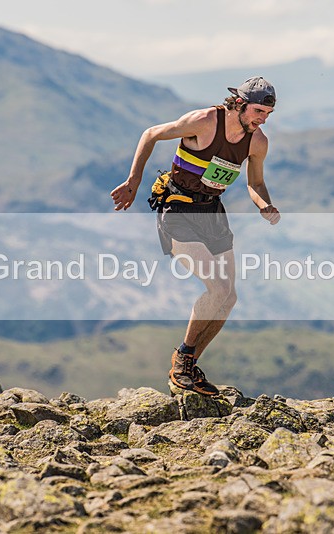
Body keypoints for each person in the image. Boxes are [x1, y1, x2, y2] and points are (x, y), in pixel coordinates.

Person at [110, 76, 280, 396]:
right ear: (240, 104)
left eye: (268, 114)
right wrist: (133, 180)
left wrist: (264, 204)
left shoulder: (258, 143)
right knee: (216, 287)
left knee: (228, 297)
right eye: (258, 111)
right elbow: (151, 134)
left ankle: (187, 366)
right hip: (178, 211)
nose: (262, 119)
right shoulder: (203, 121)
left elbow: (255, 183)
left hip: (212, 214)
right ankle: (182, 362)